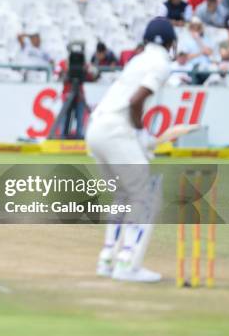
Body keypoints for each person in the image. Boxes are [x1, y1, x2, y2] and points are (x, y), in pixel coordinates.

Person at [86, 17, 176, 283]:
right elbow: (136, 100)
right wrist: (140, 133)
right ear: (171, 43)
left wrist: (138, 135)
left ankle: (107, 259)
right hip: (117, 130)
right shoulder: (161, 63)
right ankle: (127, 263)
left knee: (123, 196)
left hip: (96, 129)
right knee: (145, 197)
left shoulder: (137, 59)